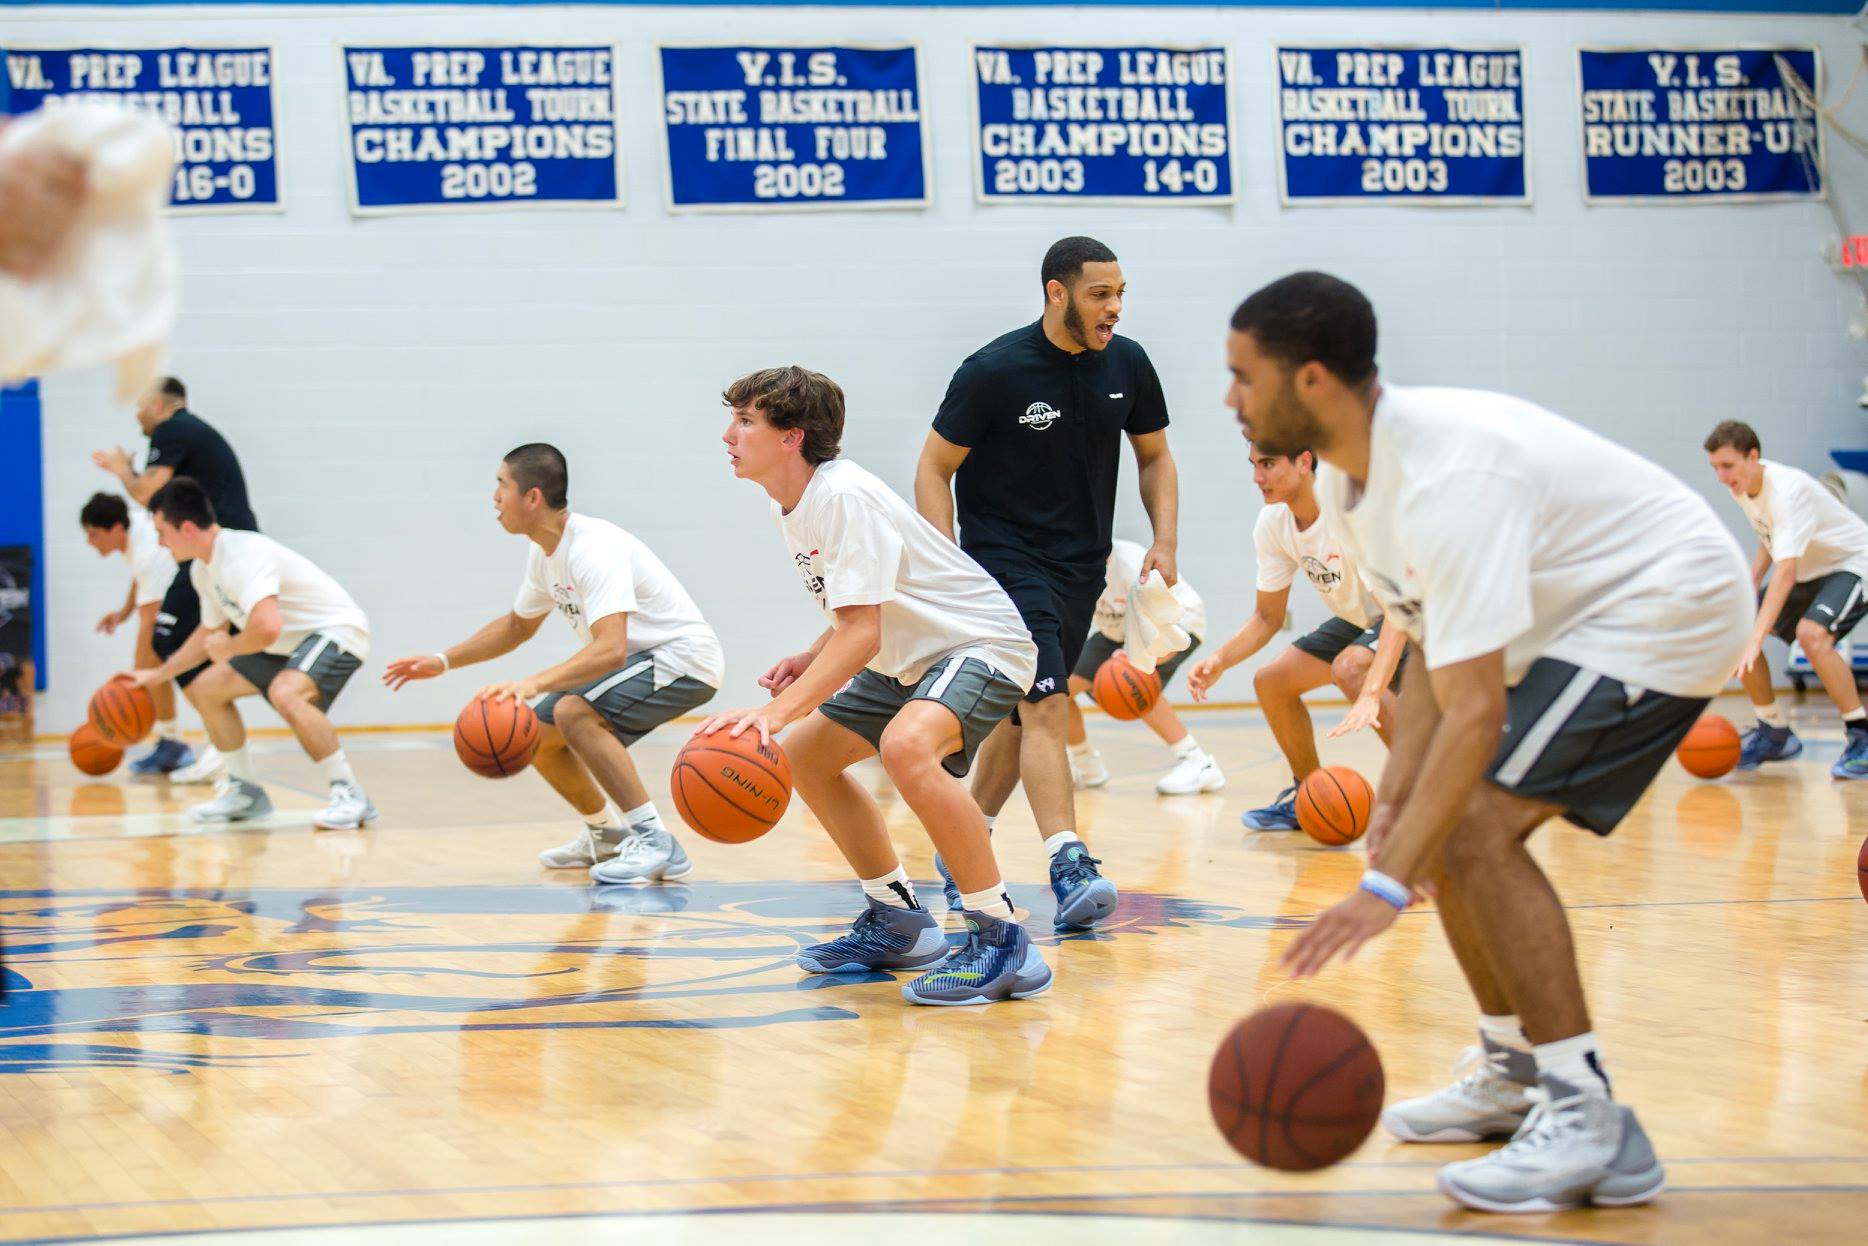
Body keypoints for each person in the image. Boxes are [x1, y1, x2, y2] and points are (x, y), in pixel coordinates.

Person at [1238, 273, 1750, 1212]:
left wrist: (1387, 885)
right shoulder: (1356, 483)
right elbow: (1430, 656)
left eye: (1243, 377)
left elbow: (1474, 710)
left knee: (1468, 829)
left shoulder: (1446, 476)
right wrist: (1394, 801)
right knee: (1437, 824)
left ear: (1309, 381)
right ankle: (1516, 1071)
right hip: (1575, 620)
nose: (1232, 402)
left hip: (1664, 605)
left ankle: (1589, 1119)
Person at [706, 365, 1050, 1005]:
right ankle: (898, 920)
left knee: (906, 748)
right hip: (910, 653)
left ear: (792, 436)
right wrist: (813, 656)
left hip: (978, 644)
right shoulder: (795, 502)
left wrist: (776, 710)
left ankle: (1002, 940)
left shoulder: (842, 497)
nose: (729, 434)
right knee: (804, 759)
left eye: (746, 420)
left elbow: (862, 633)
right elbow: (860, 611)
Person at [916, 235, 1178, 928]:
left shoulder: (1128, 363)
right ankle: (1068, 860)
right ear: (1056, 293)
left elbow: (1154, 456)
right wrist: (947, 561)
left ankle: (961, 843)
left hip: (1080, 566)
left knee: (1018, 712)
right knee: (1048, 704)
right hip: (1005, 564)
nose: (1114, 307)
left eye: (1120, 293)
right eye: (1100, 294)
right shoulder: (994, 370)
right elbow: (934, 467)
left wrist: (1166, 539)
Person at [384, 444, 722, 882]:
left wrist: (533, 683)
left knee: (571, 712)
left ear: (532, 497)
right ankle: (605, 835)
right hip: (642, 660)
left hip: (682, 658)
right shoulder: (545, 553)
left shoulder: (593, 548)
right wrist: (443, 661)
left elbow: (610, 649)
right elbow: (516, 627)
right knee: (537, 735)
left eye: (501, 485)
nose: (494, 497)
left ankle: (658, 843)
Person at [126, 477, 377, 830]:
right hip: (288, 642)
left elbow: (266, 626)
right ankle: (245, 792)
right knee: (207, 689)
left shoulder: (241, 554)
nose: (159, 543)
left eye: (161, 533)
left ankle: (351, 794)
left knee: (286, 693)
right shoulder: (203, 569)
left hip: (336, 630)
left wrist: (229, 647)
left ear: (185, 528)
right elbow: (206, 635)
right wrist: (158, 677)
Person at [1185, 444, 1406, 829]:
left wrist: (1371, 693)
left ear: (1304, 461)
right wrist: (1220, 660)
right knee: (1271, 683)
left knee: (1351, 667)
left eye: (1268, 464)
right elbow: (1267, 616)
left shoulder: (1351, 512)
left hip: (1417, 615)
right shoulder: (1273, 523)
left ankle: (1428, 795)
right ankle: (1308, 797)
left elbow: (1397, 614)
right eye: (1254, 465)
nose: (1257, 477)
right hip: (1363, 618)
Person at [92, 376, 259, 784]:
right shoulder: (185, 435)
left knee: (171, 640)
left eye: (138, 407)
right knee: (183, 642)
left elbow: (147, 492)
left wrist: (122, 471)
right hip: (210, 550)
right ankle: (216, 747)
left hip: (223, 547)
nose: (135, 416)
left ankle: (215, 747)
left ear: (157, 405)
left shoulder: (174, 428)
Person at [1704, 420, 1868, 777]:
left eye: (1727, 466)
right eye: (1715, 467)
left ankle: (1862, 738)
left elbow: (1787, 573)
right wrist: (1752, 580)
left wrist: (1757, 638)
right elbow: (1770, 537)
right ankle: (1774, 731)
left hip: (1853, 564)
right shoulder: (1742, 486)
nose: (1721, 476)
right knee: (1739, 630)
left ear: (1753, 456)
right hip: (1813, 572)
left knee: (1812, 635)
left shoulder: (1788, 491)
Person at [1065, 538, 1220, 795]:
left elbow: (1159, 624)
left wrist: (1130, 659)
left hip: (1175, 622)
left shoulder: (1132, 565)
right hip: (1118, 632)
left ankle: (1197, 761)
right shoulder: (1067, 565)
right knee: (1059, 688)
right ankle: (1086, 763)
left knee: (1134, 681)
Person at [79, 491, 197, 774]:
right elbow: (139, 578)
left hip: (196, 589)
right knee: (154, 665)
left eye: (94, 534)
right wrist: (123, 612)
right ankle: (172, 741)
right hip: (184, 582)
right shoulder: (133, 524)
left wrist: (142, 669)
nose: (89, 542)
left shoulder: (146, 554)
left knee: (148, 664)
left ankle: (173, 744)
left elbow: (152, 617)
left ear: (116, 529)